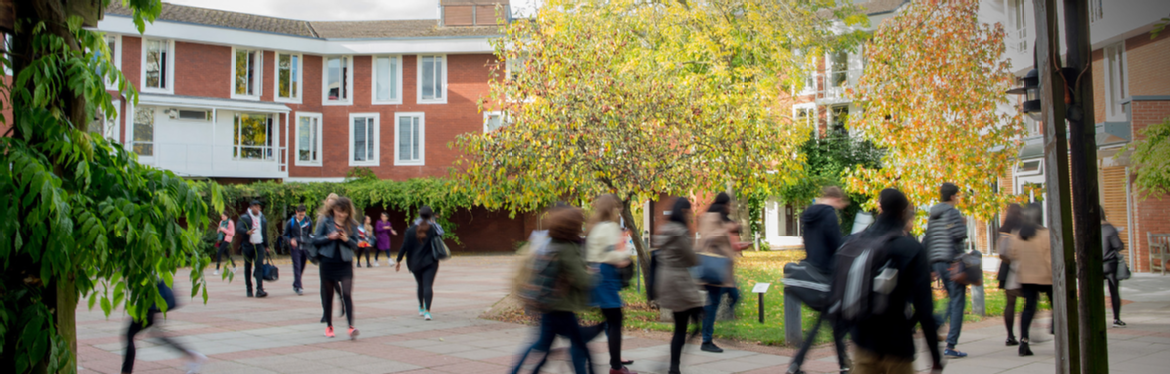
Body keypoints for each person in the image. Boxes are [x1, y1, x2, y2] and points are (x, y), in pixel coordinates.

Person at [849, 189, 943, 374]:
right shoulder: (911, 249)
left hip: (863, 344)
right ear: (903, 212)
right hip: (897, 346)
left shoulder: (857, 243)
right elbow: (924, 309)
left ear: (880, 208)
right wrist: (935, 358)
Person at [788, 186, 850, 374]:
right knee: (830, 321)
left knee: (829, 320)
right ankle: (797, 363)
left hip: (812, 270)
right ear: (835, 198)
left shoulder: (808, 215)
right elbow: (835, 245)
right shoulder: (829, 215)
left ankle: (841, 365)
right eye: (840, 202)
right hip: (827, 274)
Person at [581, 194, 637, 374]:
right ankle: (616, 367)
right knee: (614, 320)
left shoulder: (594, 228)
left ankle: (615, 364)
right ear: (611, 208)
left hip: (596, 275)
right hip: (607, 275)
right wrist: (624, 260)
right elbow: (613, 254)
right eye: (617, 207)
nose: (619, 210)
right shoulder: (611, 227)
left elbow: (592, 254)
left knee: (610, 319)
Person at [654, 197, 706, 374]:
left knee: (681, 326)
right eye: (689, 211)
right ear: (684, 212)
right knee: (691, 323)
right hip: (680, 283)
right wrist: (698, 252)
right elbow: (691, 259)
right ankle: (673, 367)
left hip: (667, 281)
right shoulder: (679, 232)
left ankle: (673, 366)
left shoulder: (665, 230)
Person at [121, 280, 206, 374]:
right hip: (157, 299)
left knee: (130, 335)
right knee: (156, 335)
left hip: (153, 301)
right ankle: (192, 355)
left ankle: (126, 372)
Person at [924, 182, 968, 358]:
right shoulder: (952, 213)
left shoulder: (933, 215)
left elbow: (928, 239)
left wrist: (929, 266)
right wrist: (963, 223)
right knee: (958, 300)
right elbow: (959, 235)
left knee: (952, 298)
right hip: (952, 260)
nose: (957, 199)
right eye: (957, 195)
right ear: (952, 196)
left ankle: (937, 323)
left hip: (937, 261)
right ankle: (951, 344)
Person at [695, 192, 742, 353]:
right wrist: (727, 229)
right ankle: (706, 340)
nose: (730, 208)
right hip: (714, 268)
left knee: (733, 296)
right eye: (729, 205)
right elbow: (709, 237)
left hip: (723, 269)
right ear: (724, 205)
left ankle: (705, 318)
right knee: (714, 303)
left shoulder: (718, 217)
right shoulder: (712, 218)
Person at [1004, 203, 1053, 356]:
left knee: (1028, 309)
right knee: (1057, 305)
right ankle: (1057, 330)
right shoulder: (1045, 234)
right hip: (1046, 277)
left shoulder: (1017, 234)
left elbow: (1012, 255)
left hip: (1026, 277)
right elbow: (1049, 258)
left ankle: (1024, 342)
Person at [312, 196, 361, 339]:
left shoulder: (351, 224)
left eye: (345, 212)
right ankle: (329, 326)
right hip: (327, 262)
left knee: (347, 293)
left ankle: (351, 327)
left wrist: (346, 239)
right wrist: (329, 237)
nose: (342, 215)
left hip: (345, 262)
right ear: (333, 209)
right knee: (328, 296)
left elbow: (356, 245)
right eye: (340, 211)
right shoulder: (325, 221)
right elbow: (315, 239)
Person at [398, 206, 442, 320]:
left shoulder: (410, 230)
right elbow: (441, 236)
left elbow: (404, 246)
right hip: (430, 262)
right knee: (428, 285)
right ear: (430, 215)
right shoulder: (432, 229)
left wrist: (398, 260)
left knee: (420, 285)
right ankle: (428, 311)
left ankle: (421, 307)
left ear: (419, 214)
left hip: (415, 262)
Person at [996, 204, 1024, 346]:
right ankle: (1025, 334)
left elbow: (1001, 252)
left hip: (1006, 268)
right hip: (1020, 266)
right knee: (1029, 301)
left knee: (1010, 304)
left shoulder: (1003, 230)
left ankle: (1010, 335)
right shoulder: (1021, 229)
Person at [236, 200, 269, 298]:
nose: (258, 209)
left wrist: (266, 246)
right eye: (256, 207)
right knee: (248, 267)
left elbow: (264, 232)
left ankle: (260, 289)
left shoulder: (262, 218)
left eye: (259, 207)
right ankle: (249, 289)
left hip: (259, 245)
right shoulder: (244, 217)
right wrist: (246, 232)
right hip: (248, 245)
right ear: (251, 207)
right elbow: (238, 228)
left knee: (259, 266)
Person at [1102, 210, 1127, 327]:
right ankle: (1116, 319)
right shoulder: (1109, 228)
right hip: (1110, 265)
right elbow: (1119, 246)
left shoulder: (1088, 229)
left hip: (1094, 265)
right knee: (1114, 292)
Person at [285, 205, 312, 296]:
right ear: (296, 212)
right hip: (295, 247)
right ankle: (299, 287)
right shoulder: (291, 222)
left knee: (302, 266)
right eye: (300, 215)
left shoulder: (308, 221)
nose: (301, 217)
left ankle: (296, 283)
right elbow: (285, 235)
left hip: (305, 247)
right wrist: (290, 240)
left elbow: (310, 234)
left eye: (303, 215)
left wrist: (310, 242)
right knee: (297, 266)